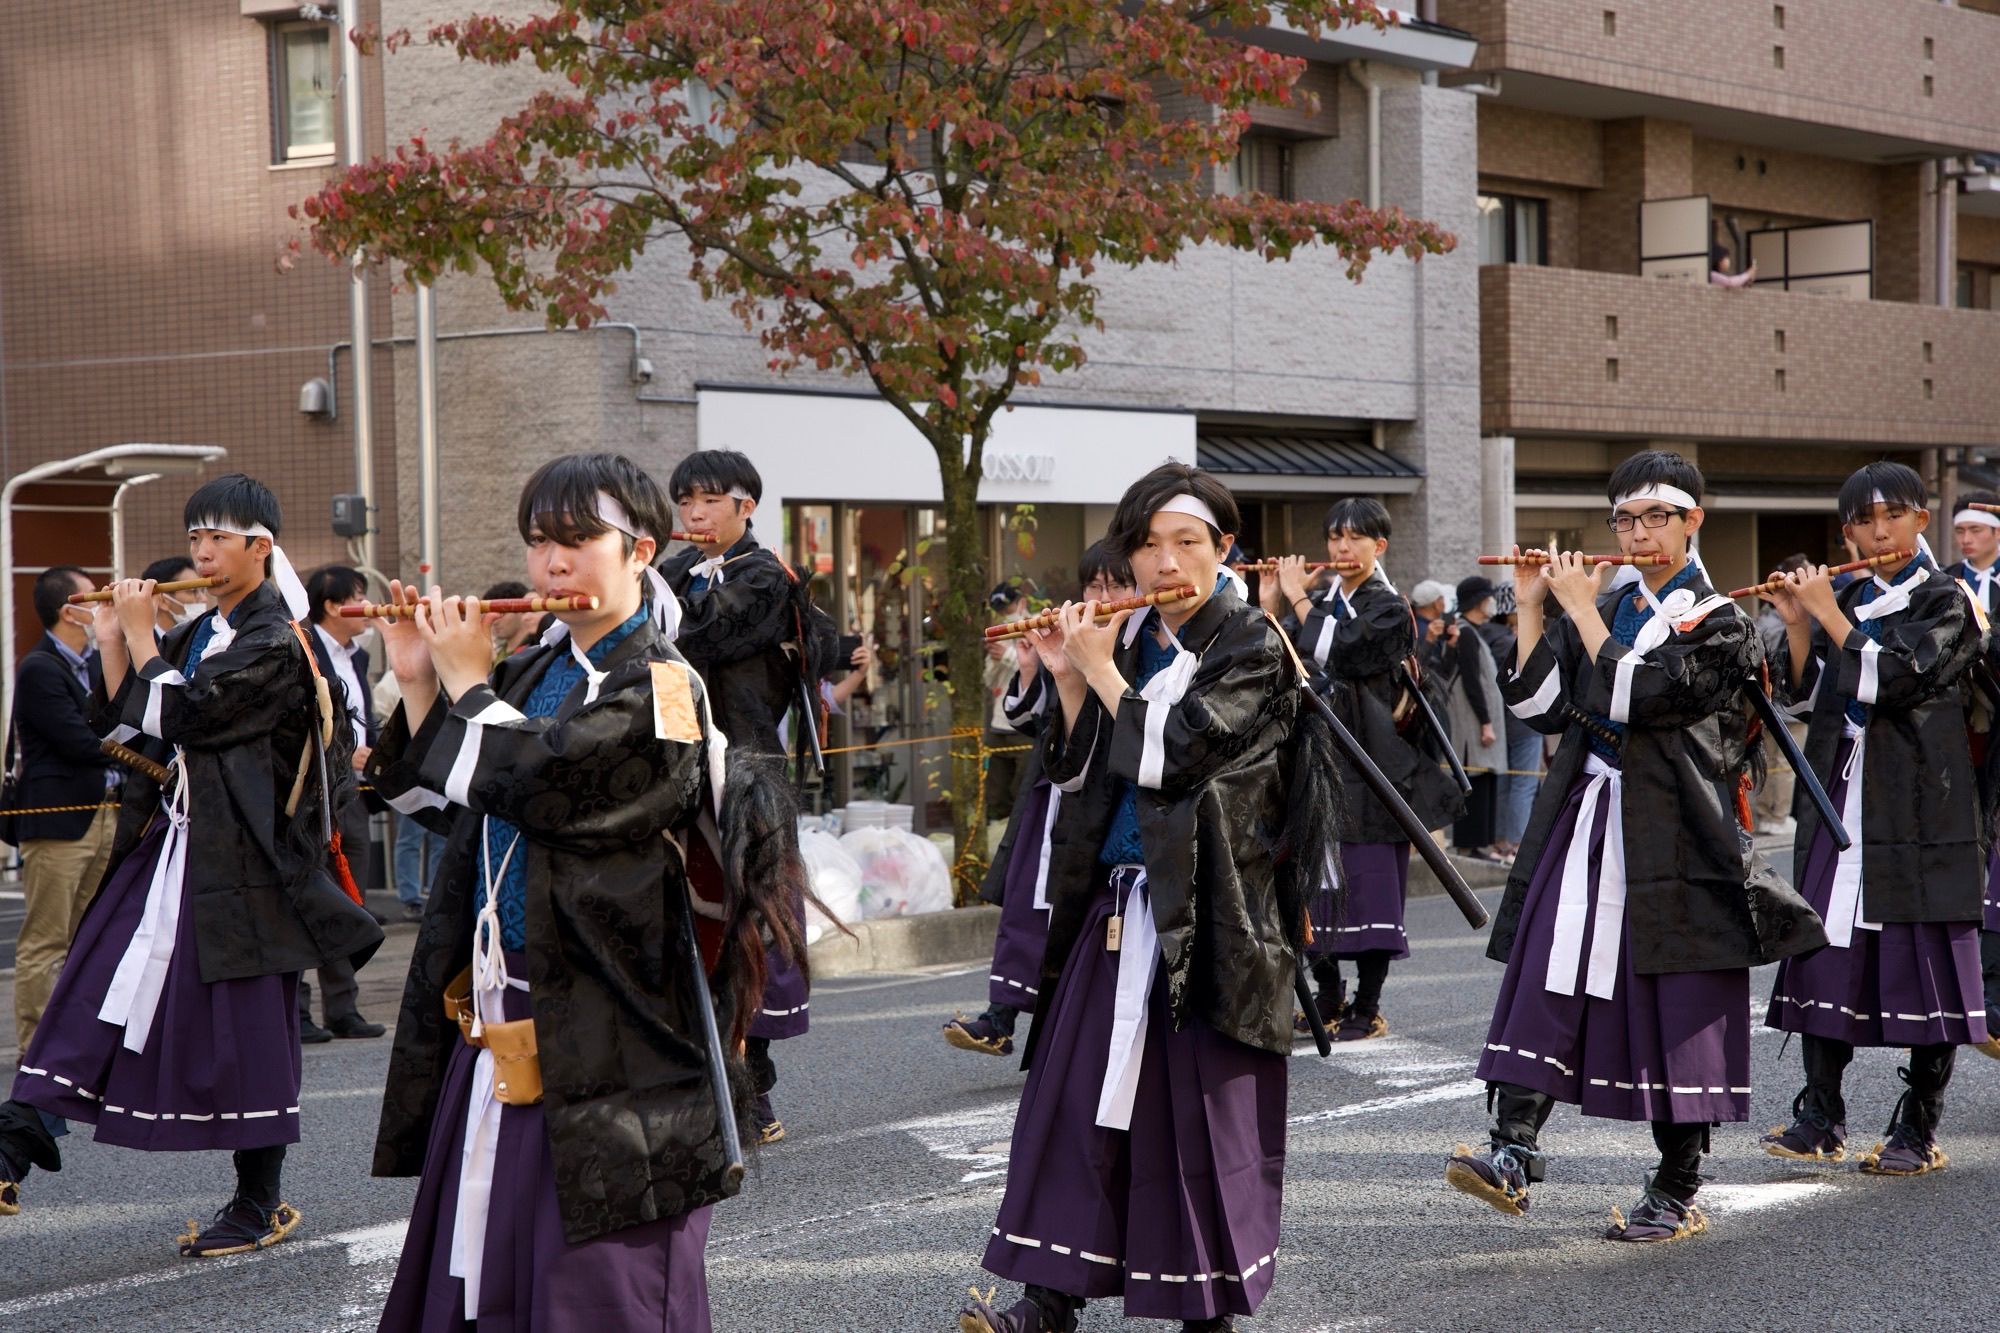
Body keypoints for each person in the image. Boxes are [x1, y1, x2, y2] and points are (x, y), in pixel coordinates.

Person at [366, 452, 807, 1331]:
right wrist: (419, 680)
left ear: (640, 549)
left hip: (617, 1030)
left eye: (578, 540)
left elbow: (546, 785)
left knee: (599, 1285)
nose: (553, 563)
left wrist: (465, 683)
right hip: (507, 1018)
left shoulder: (669, 686)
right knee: (486, 1266)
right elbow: (445, 806)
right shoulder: (531, 671)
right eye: (539, 542)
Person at [958, 462, 1337, 1333]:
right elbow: (1077, 774)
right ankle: (1047, 1298)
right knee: (1074, 1099)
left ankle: (1204, 1310)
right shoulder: (1128, 641)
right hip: (1118, 912)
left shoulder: (1251, 641)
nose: (1164, 563)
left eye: (1185, 543)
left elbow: (1181, 755)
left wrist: (1105, 671)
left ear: (1224, 548)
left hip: (1214, 921)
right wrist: (1066, 674)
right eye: (1146, 546)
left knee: (1192, 1124)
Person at [1444, 449, 1824, 1242]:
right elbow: (1548, 708)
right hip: (1588, 816)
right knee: (1547, 972)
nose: (1638, 532)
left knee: (1672, 1007)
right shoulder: (1609, 604)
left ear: (1693, 522)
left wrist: (1581, 610)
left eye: (1657, 515)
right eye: (1625, 517)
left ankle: (1678, 1183)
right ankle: (1512, 1149)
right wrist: (1532, 607)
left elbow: (1645, 698)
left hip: (1679, 836)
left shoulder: (1718, 620)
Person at [0, 473, 382, 1247]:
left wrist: (139, 636)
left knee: (248, 1029)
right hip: (171, 846)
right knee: (98, 982)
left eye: (217, 537)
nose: (202, 552)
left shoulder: (280, 641)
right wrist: (115, 639)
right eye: (196, 535)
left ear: (259, 547)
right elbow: (130, 722)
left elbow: (188, 714)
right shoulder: (202, 631)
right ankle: (13, 1143)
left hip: (250, 863)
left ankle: (259, 1198)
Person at [1760, 461, 1989, 1175]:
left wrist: (1828, 614)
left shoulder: (1948, 598)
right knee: (1823, 951)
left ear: (1923, 519)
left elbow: (1899, 678)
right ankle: (1820, 1111)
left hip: (1923, 806)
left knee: (1926, 964)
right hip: (1843, 799)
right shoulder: (1850, 591)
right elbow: (1801, 701)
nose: (1876, 530)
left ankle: (1918, 1123)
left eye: (1891, 514)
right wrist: (1800, 626)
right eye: (1862, 520)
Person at [657, 448, 811, 1144]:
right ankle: (706, 1078)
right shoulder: (667, 572)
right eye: (685, 500)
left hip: (749, 767)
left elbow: (706, 630)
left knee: (752, 916)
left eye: (709, 500)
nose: (693, 513)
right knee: (690, 915)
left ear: (745, 507)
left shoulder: (765, 575)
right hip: (677, 764)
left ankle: (757, 1085)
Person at [1274, 500, 1463, 1042]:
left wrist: (1297, 599)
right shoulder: (1323, 601)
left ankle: (1369, 1005)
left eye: (1355, 538)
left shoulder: (1391, 608)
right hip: (1321, 764)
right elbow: (1292, 660)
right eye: (1335, 537)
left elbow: (1347, 652)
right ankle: (1329, 998)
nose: (1341, 549)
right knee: (1316, 883)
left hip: (1375, 771)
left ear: (1379, 546)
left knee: (1371, 885)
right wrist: (1275, 603)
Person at [945, 541, 1133, 1058]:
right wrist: (1031, 668)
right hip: (1052, 797)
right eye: (1094, 586)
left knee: (1080, 915)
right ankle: (1000, 1016)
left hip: (1106, 805)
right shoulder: (1073, 640)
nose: (1102, 596)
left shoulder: (1140, 644)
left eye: (1116, 585)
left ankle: (1063, 1027)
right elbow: (1035, 725)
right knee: (1028, 904)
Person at [8, 567, 118, 1054]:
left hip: (105, 813)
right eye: (92, 596)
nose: (102, 604)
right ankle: (36, 1044)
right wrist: (127, 745)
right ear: (68, 608)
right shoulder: (39, 668)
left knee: (90, 937)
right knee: (46, 939)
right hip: (58, 819)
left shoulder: (95, 662)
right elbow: (80, 742)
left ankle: (78, 1040)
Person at [299, 564, 387, 1042]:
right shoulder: (304, 646)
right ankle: (297, 1012)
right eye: (358, 598)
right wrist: (339, 751)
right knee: (307, 894)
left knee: (353, 899)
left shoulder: (357, 655)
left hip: (351, 791)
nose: (367, 608)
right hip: (313, 794)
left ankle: (343, 1006)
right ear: (332, 605)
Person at [1750, 553, 1812, 837]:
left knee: (1769, 761)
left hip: (1768, 704)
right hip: (1784, 702)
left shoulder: (1763, 618)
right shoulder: (1780, 622)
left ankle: (1768, 814)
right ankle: (1776, 815)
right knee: (1783, 764)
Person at [1449, 575, 1508, 861]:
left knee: (1484, 779)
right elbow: (1471, 680)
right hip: (1473, 721)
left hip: (1479, 719)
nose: (1492, 602)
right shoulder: (1466, 633)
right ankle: (1472, 845)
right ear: (1477, 601)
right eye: (1488, 597)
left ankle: (1481, 844)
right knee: (1476, 779)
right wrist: (1485, 721)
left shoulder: (1472, 631)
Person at [1491, 583, 1541, 858]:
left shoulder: (1483, 634)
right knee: (1524, 780)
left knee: (1506, 782)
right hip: (1524, 719)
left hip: (1498, 721)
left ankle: (1501, 840)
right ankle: (1516, 842)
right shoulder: (1510, 641)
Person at [983, 583, 1033, 828]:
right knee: (996, 794)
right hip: (998, 724)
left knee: (1022, 792)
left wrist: (1007, 655)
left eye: (1008, 607)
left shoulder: (1035, 626)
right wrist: (996, 659)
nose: (1005, 614)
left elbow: (1039, 674)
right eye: (1000, 611)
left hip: (1026, 727)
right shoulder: (999, 632)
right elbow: (987, 680)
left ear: (1021, 602)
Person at [1946, 491, 2000, 617]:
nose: (1966, 540)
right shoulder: (1947, 579)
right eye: (1960, 531)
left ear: (1997, 532)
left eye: (1975, 530)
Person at [139, 556, 211, 637]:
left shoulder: (210, 640)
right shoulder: (136, 645)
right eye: (193, 591)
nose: (204, 599)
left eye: (202, 590)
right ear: (162, 600)